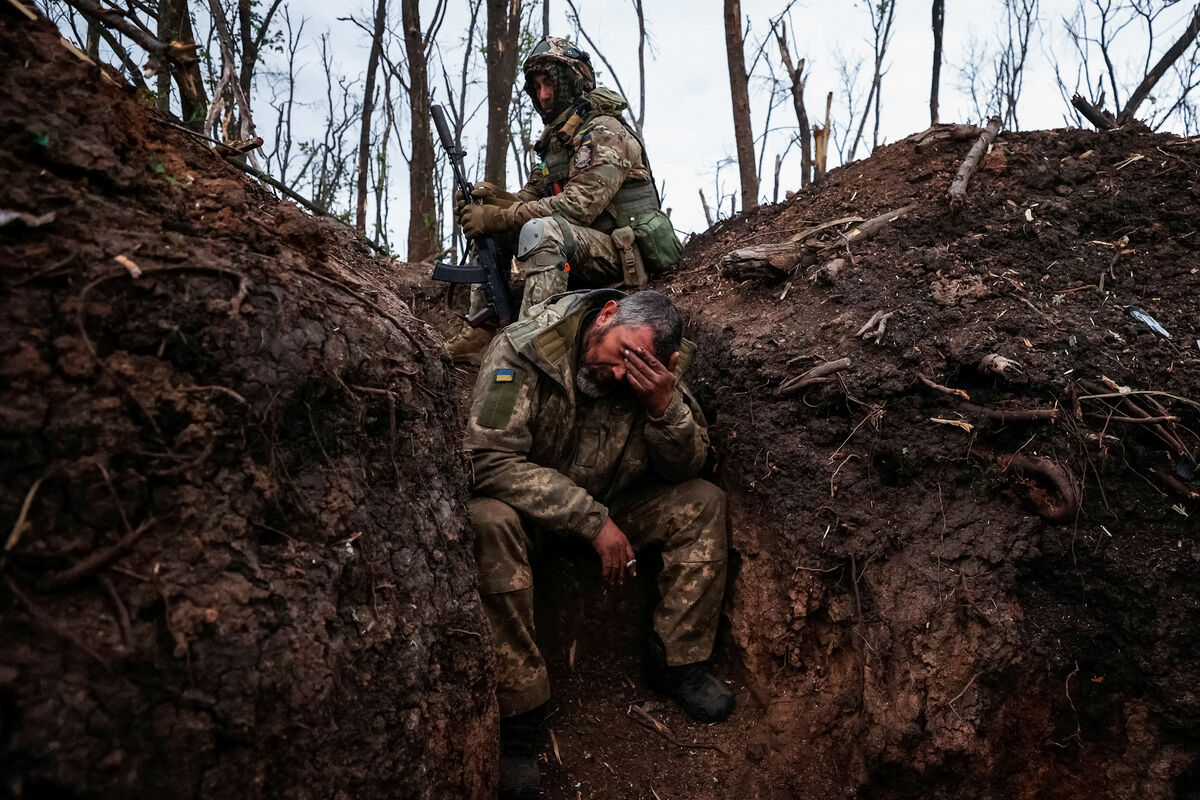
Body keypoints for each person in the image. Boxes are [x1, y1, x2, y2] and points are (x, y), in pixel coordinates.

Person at [465, 289, 733, 799]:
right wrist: (591, 521)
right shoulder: (525, 349)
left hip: (617, 503)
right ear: (607, 314)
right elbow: (487, 460)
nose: (619, 374)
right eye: (622, 354)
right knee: (486, 521)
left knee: (702, 501)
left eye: (638, 366)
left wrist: (662, 407)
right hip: (534, 515)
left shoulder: (657, 372)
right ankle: (519, 716)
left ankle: (677, 661)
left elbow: (687, 468)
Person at [449, 36, 683, 362]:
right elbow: (530, 197)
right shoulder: (555, 142)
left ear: (573, 81)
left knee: (543, 231)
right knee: (492, 226)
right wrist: (492, 201)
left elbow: (578, 207)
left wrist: (501, 215)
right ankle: (481, 332)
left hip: (623, 255)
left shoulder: (604, 130)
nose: (543, 95)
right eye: (537, 87)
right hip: (579, 249)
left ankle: (533, 349)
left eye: (550, 84)